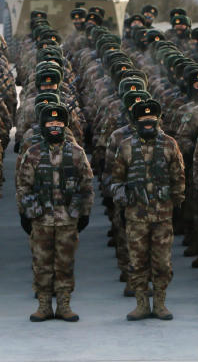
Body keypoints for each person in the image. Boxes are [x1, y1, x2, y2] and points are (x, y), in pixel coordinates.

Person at [16, 104, 94, 322]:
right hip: (41, 220)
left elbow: (86, 185)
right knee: (42, 264)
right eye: (50, 124)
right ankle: (43, 305)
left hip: (68, 220)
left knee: (65, 264)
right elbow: (23, 185)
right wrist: (27, 213)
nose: (54, 127)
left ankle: (64, 305)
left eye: (59, 124)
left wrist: (83, 213)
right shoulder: (33, 153)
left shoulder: (77, 153)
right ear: (43, 126)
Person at [110, 99, 185, 320]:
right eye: (143, 119)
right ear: (136, 122)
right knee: (138, 262)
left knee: (162, 262)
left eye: (152, 119)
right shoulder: (125, 146)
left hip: (163, 216)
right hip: (136, 216)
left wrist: (178, 204)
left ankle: (160, 303)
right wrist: (123, 206)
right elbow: (116, 180)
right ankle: (142, 304)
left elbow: (178, 177)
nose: (148, 123)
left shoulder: (170, 144)